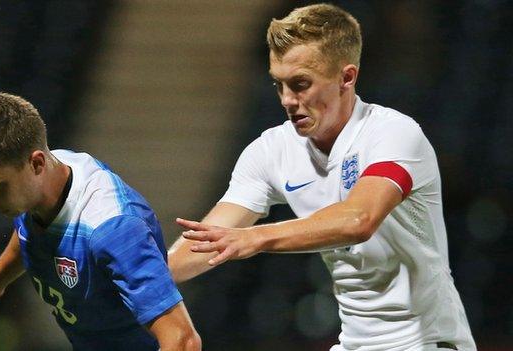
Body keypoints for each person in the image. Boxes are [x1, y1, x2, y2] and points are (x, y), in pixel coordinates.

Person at [168, 4, 476, 351]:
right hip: (355, 344)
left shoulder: (393, 133)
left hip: (428, 343)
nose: (287, 100)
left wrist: (258, 237)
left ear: (347, 77)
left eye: (300, 84)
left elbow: (359, 218)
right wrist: (135, 284)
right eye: (279, 84)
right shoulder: (272, 150)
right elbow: (211, 241)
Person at [0, 93, 201, 351]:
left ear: (36, 163)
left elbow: (183, 341)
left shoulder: (112, 229)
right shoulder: (47, 177)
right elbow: (30, 230)